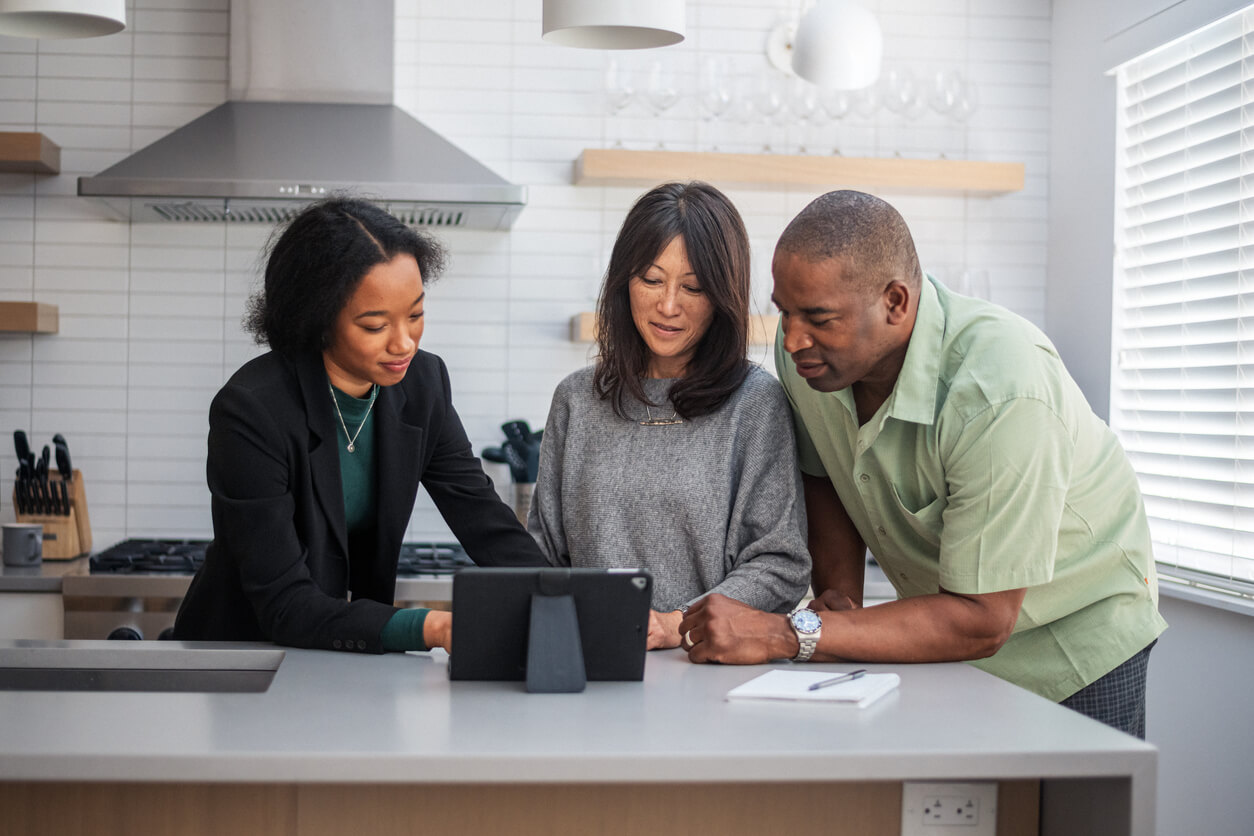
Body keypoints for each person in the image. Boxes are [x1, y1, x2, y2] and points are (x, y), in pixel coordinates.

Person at [679, 190, 1167, 738]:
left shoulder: (1000, 391)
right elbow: (827, 479)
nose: (791, 339)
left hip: (1074, 634)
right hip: (952, 630)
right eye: (784, 311)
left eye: (818, 317)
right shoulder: (811, 362)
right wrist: (841, 606)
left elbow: (982, 618)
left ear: (895, 302)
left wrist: (794, 633)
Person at [174, 197, 546, 653]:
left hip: (346, 656)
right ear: (319, 320)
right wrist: (433, 627)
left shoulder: (423, 386)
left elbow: (485, 520)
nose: (404, 342)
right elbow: (285, 605)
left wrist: (566, 595)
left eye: (416, 314)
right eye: (375, 326)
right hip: (244, 655)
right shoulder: (252, 411)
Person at [528, 181, 811, 650]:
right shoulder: (576, 399)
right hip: (587, 660)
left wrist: (676, 623)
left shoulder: (755, 404)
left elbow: (780, 564)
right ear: (624, 281)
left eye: (694, 287)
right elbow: (544, 554)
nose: (668, 305)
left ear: (723, 295)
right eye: (652, 280)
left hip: (705, 667)